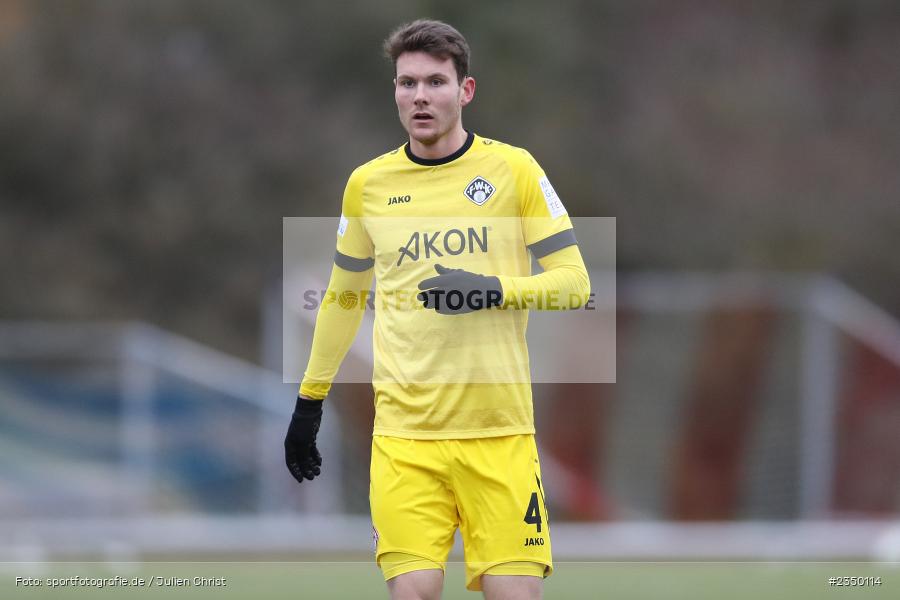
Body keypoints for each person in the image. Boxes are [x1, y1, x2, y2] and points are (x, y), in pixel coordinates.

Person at [284, 19, 590, 600]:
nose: (419, 96)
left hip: (499, 433)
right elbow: (344, 297)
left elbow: (575, 283)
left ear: (464, 91)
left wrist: (491, 290)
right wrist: (309, 401)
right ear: (394, 92)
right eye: (406, 84)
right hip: (405, 437)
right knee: (415, 590)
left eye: (435, 82)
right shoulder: (368, 184)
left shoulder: (514, 170)